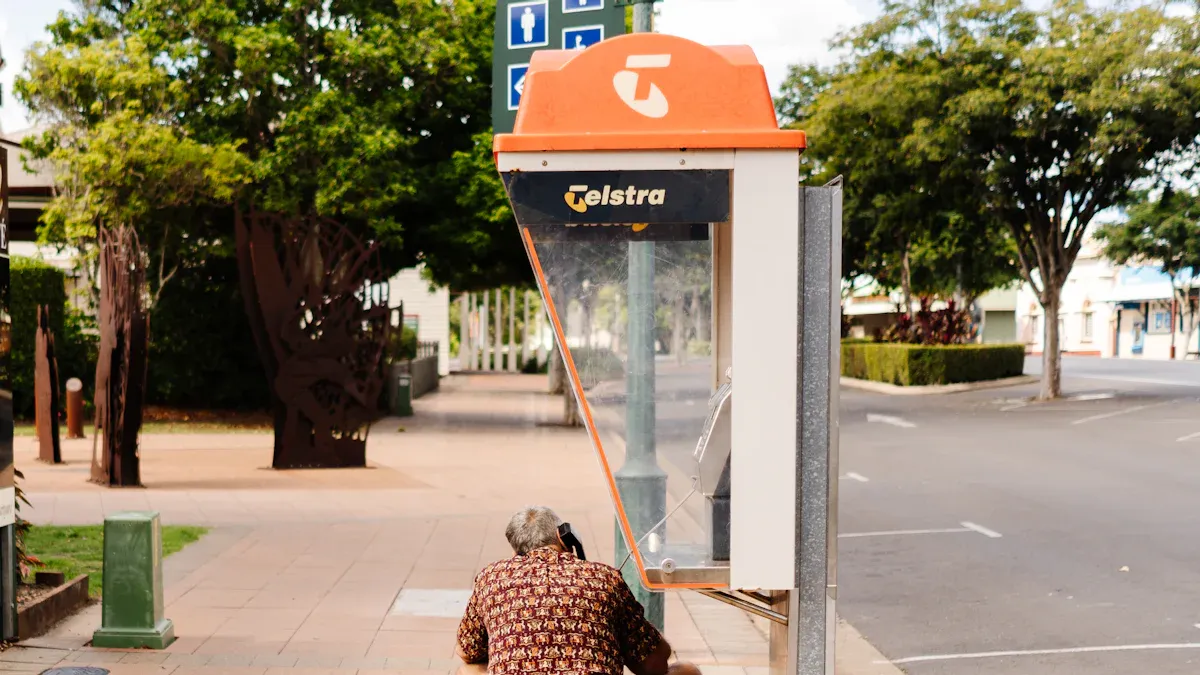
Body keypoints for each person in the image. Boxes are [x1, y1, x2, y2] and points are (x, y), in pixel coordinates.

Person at [456, 506, 701, 675]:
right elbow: (655, 663)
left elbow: (467, 651)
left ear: (514, 553)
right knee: (686, 670)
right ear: (564, 538)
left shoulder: (493, 576)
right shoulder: (604, 578)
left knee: (468, 670)